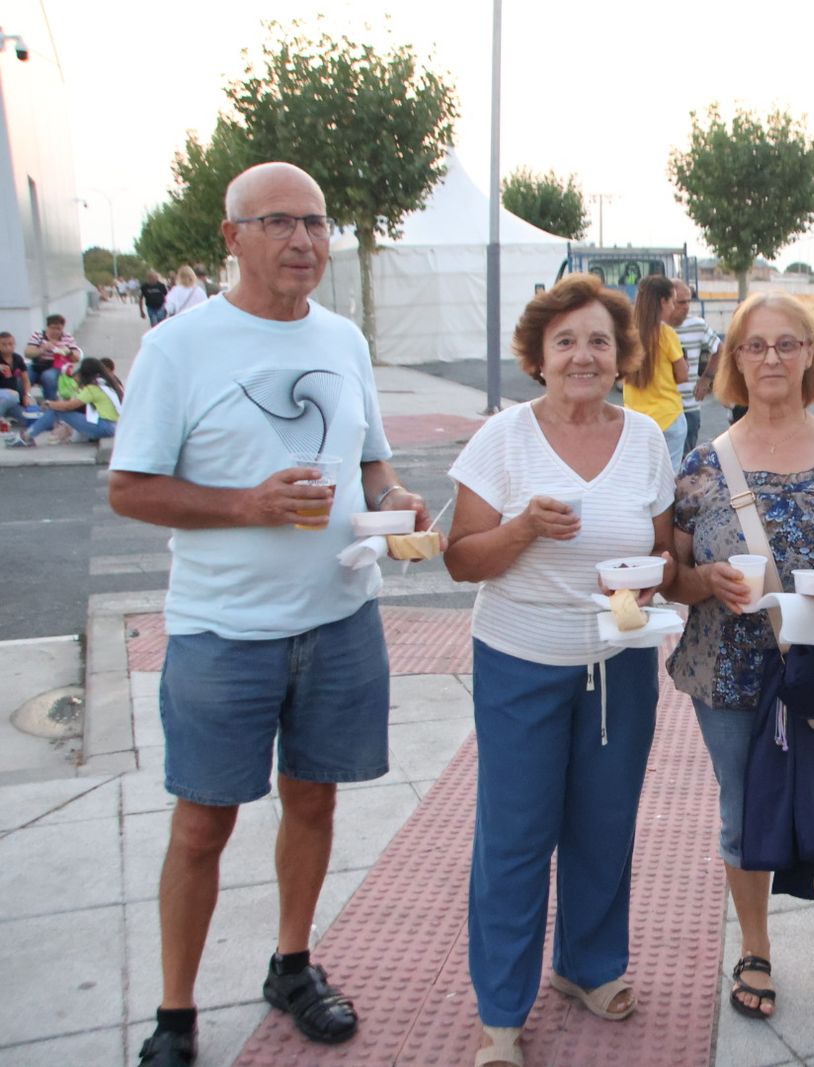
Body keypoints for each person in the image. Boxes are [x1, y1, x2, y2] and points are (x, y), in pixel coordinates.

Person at [108, 162, 432, 1067]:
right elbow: (130, 488)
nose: (303, 240)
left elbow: (371, 461)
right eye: (279, 222)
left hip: (340, 617)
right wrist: (247, 505)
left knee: (314, 800)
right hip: (222, 630)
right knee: (201, 825)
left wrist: (396, 498)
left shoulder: (343, 339)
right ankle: (175, 1014)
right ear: (232, 237)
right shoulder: (179, 347)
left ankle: (292, 964)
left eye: (316, 223)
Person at [443, 272, 676, 1067]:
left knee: (605, 825)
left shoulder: (645, 439)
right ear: (537, 356)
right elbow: (461, 560)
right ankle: (501, 1015)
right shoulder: (502, 438)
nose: (584, 355)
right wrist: (522, 529)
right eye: (566, 341)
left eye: (599, 341)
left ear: (621, 356)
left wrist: (656, 577)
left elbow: (663, 553)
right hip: (521, 660)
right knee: (514, 838)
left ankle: (588, 966)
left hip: (620, 662)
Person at [666, 291, 814, 1030]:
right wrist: (709, 581)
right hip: (727, 669)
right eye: (755, 345)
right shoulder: (702, 466)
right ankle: (755, 950)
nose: (771, 357)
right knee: (743, 810)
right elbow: (673, 577)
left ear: (809, 355)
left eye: (787, 343)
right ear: (734, 359)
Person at [622, 274, 689, 468]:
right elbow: (683, 375)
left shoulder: (627, 334)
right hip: (668, 418)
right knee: (668, 478)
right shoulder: (666, 334)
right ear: (662, 301)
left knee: (641, 475)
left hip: (636, 422)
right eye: (672, 301)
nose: (673, 307)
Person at [6, 356, 122, 447]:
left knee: (56, 411)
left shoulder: (93, 388)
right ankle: (28, 435)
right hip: (114, 426)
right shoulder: (109, 384)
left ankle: (27, 437)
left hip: (104, 427)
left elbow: (69, 406)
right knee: (57, 410)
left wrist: (50, 404)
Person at [671, 279, 722, 454]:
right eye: (681, 302)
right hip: (662, 409)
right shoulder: (656, 328)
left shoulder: (697, 325)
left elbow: (719, 349)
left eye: (688, 301)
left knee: (685, 460)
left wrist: (706, 378)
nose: (686, 307)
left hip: (689, 407)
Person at [24, 314, 82, 401]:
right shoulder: (38, 335)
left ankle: (50, 402)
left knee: (48, 377)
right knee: (24, 375)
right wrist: (42, 349)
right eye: (53, 328)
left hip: (57, 366)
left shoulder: (67, 338)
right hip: (38, 364)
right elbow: (27, 353)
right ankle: (22, 400)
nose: (56, 331)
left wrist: (68, 352)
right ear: (48, 327)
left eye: (59, 329)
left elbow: (77, 358)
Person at [0, 331, 34, 429]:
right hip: (5, 395)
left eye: (10, 344)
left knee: (29, 420)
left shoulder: (17, 358)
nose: (7, 347)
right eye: (3, 344)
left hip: (13, 400)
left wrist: (28, 396)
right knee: (12, 395)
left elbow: (26, 381)